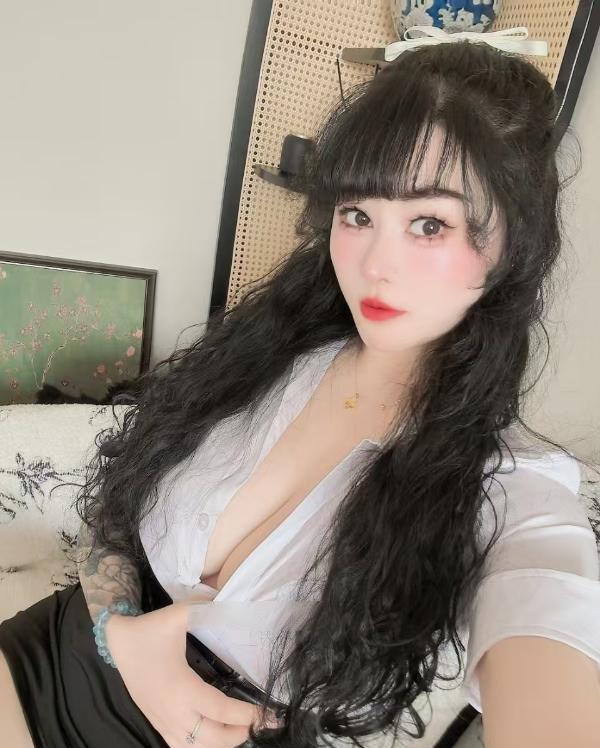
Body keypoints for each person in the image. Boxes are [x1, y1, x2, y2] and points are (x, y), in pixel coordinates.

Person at [1, 33, 600, 748]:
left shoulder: (510, 486)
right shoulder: (272, 353)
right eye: (357, 215)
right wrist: (117, 633)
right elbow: (124, 508)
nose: (376, 264)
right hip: (55, 657)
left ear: (512, 243)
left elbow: (547, 629)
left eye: (430, 223)